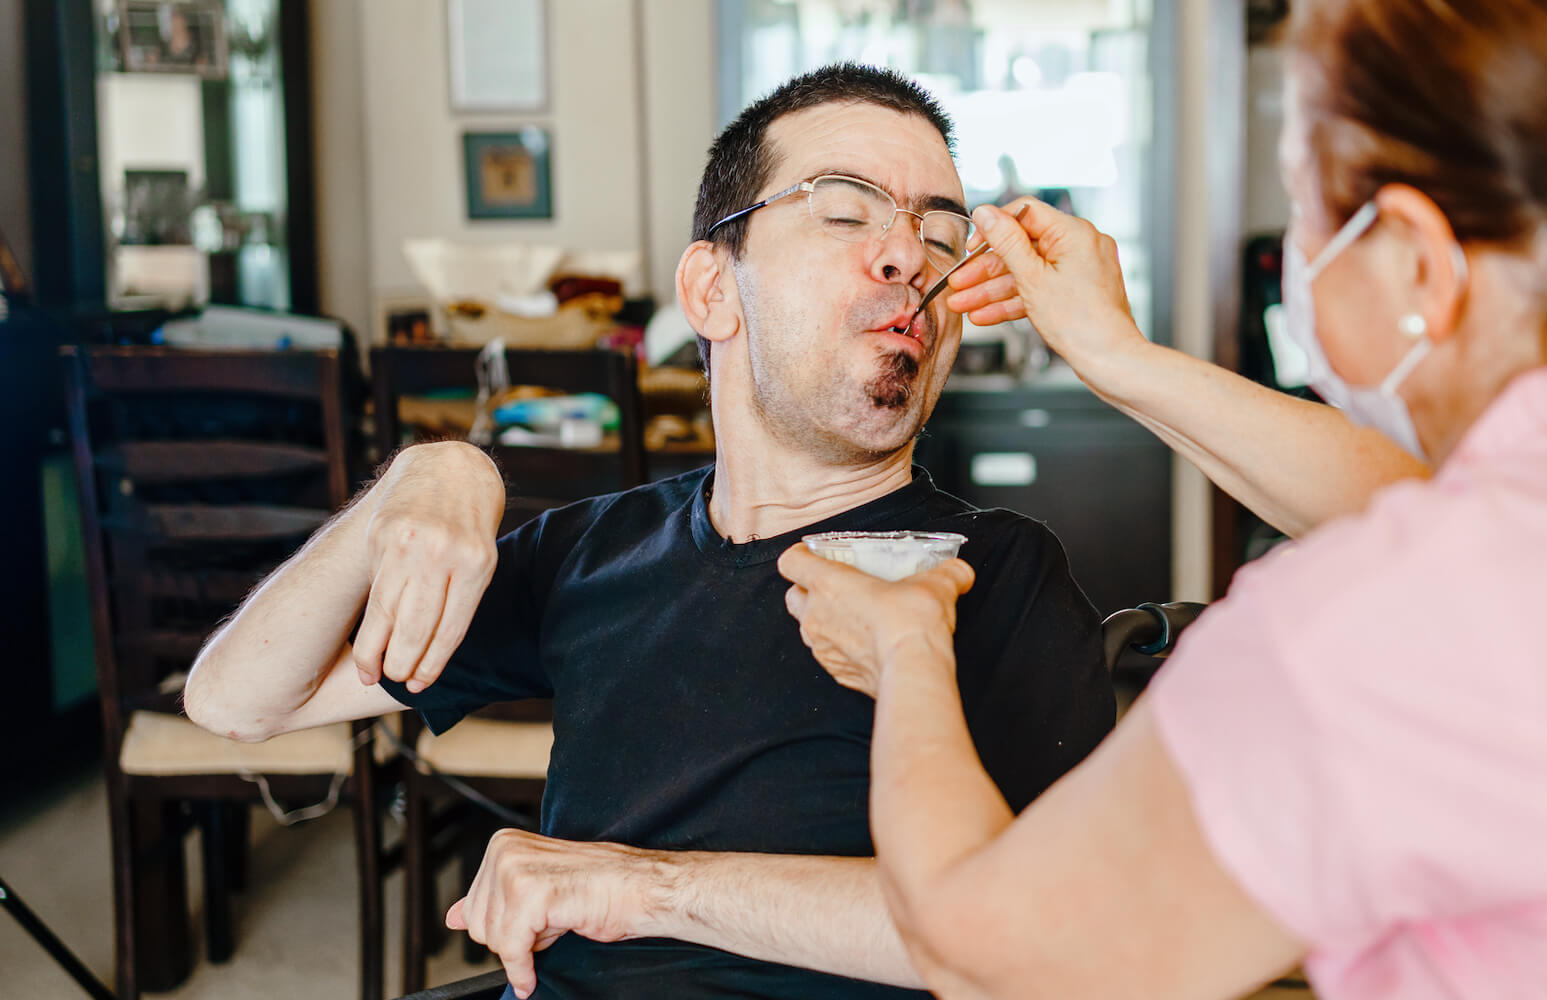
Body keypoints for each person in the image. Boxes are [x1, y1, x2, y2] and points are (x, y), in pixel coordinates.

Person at [775, 1, 1547, 996]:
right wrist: (1122, 360)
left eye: (1309, 203)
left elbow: (985, 958)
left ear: (1414, 256)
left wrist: (904, 641)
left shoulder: (1374, 628)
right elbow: (1445, 521)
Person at [185, 65, 1116, 1000]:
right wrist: (429, 474)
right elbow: (239, 699)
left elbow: (1052, 943)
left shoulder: (994, 574)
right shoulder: (594, 552)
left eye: (940, 231)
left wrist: (640, 888)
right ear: (711, 290)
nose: (909, 255)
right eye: (845, 210)